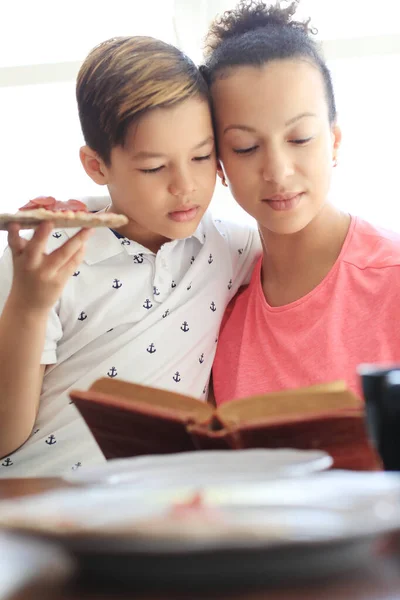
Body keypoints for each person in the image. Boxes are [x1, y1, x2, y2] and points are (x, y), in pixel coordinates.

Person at [0, 36, 260, 476]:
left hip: (155, 508)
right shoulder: (45, 260)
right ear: (96, 165)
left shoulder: (231, 247)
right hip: (38, 500)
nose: (185, 186)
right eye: (154, 167)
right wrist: (28, 306)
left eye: (201, 156)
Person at [201, 0, 400, 404]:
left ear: (334, 142)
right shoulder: (218, 302)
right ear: (219, 165)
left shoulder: (391, 281)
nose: (277, 170)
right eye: (245, 147)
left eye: (300, 139)